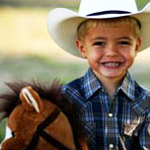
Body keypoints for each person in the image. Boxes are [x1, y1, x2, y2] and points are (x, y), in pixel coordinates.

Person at [47, 0, 150, 149]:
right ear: (82, 48)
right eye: (99, 43)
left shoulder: (145, 103)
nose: (112, 52)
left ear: (137, 46)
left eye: (123, 42)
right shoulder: (66, 99)